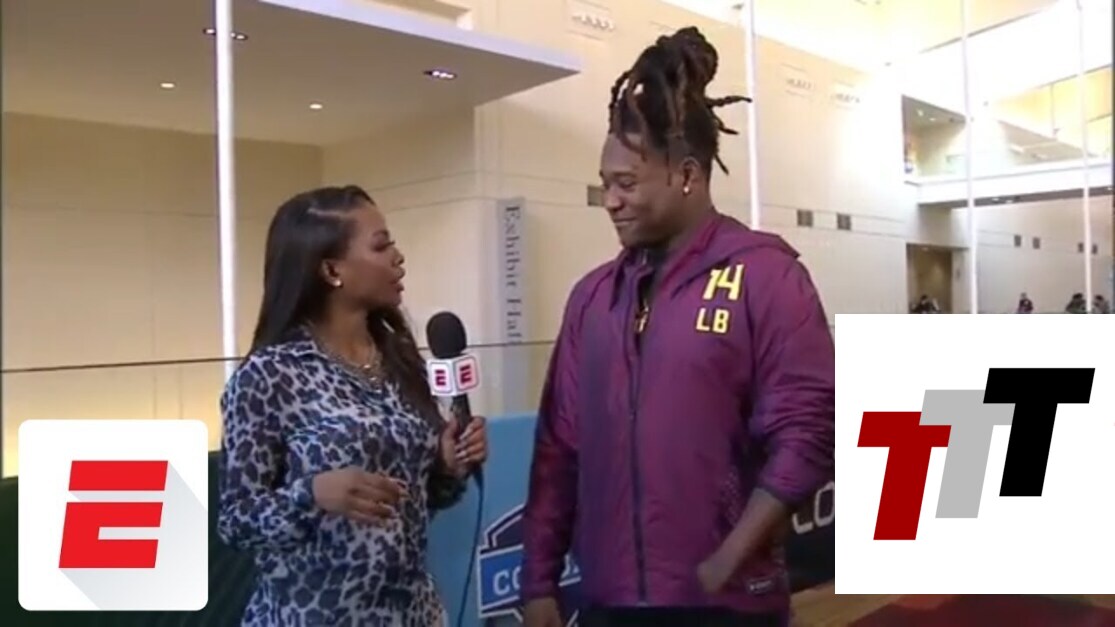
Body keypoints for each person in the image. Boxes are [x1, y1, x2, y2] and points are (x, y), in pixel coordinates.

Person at [520, 27, 835, 627]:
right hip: (610, 604)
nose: (610, 200)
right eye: (605, 184)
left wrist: (733, 553)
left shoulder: (766, 275)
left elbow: (809, 429)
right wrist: (538, 585)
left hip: (729, 608)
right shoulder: (591, 299)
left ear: (687, 175)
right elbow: (557, 451)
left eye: (626, 184)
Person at [217, 185, 488, 626]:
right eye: (381, 246)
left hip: (413, 615)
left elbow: (423, 500)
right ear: (331, 270)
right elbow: (236, 521)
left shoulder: (399, 360)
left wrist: (447, 466)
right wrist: (311, 494)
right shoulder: (268, 376)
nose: (398, 257)